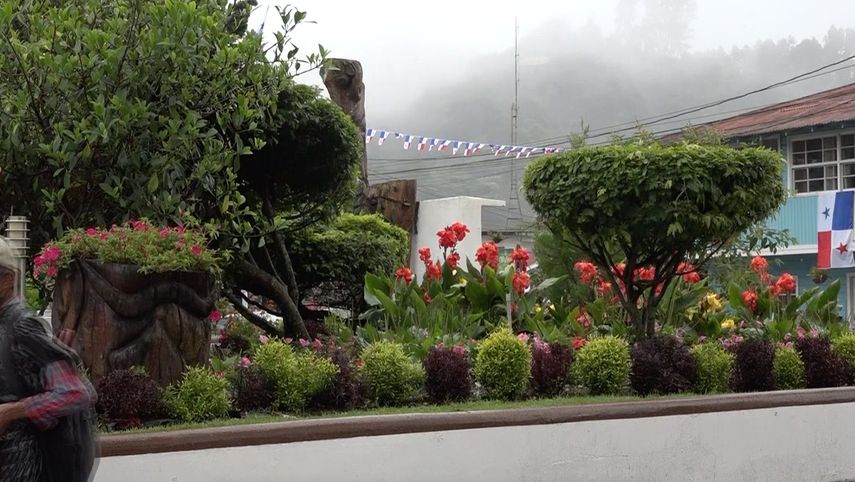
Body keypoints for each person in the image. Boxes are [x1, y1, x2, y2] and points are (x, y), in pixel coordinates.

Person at [0, 237, 97, 481]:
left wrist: (11, 411)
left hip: (25, 467)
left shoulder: (22, 326)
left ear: (7, 279)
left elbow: (73, 392)